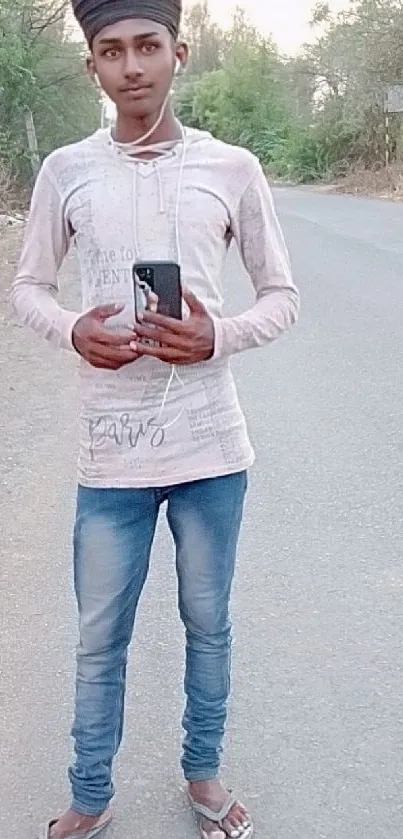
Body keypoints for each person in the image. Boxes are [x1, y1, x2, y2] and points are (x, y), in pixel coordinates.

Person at [11, 2, 299, 838]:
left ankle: (203, 775)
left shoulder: (233, 167)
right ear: (90, 67)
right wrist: (72, 328)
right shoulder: (67, 170)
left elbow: (280, 295)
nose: (131, 66)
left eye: (146, 46)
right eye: (110, 51)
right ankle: (90, 793)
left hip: (210, 446)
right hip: (110, 454)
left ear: (179, 51)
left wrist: (217, 334)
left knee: (207, 623)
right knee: (100, 635)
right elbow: (27, 286)